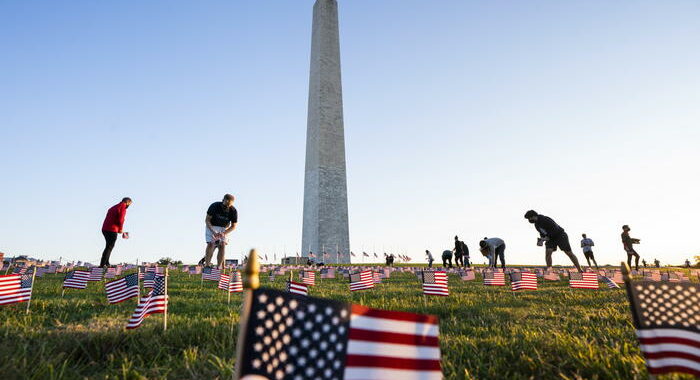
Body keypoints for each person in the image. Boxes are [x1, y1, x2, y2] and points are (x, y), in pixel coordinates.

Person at [204, 194, 238, 268]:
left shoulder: (233, 210)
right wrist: (213, 232)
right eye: (225, 205)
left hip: (224, 228)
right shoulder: (214, 206)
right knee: (211, 244)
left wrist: (224, 233)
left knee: (222, 245)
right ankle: (207, 265)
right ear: (223, 200)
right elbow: (207, 220)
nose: (227, 207)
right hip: (212, 226)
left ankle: (219, 266)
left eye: (229, 205)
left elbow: (233, 226)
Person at [99, 197, 132, 268]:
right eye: (130, 204)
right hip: (112, 229)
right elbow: (121, 219)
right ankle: (103, 264)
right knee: (109, 246)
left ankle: (106, 263)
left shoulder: (114, 207)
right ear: (128, 202)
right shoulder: (123, 207)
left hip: (105, 228)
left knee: (108, 246)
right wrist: (120, 229)